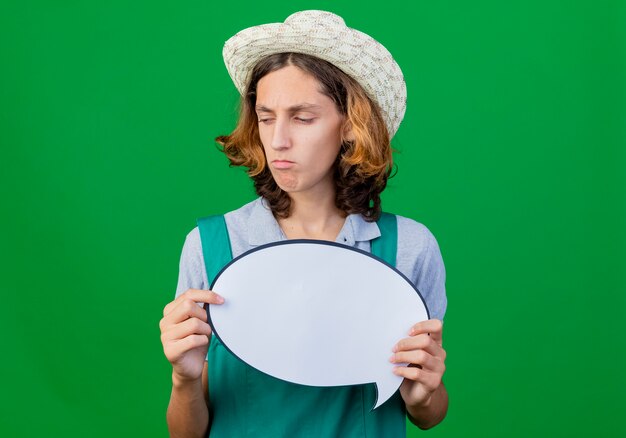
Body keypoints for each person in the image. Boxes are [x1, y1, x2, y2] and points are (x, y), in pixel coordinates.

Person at [159, 10, 448, 437]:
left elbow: (428, 413)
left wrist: (424, 392)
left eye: (303, 117)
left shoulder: (409, 247)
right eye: (266, 116)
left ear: (351, 125)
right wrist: (183, 378)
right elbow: (186, 432)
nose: (277, 140)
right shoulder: (211, 245)